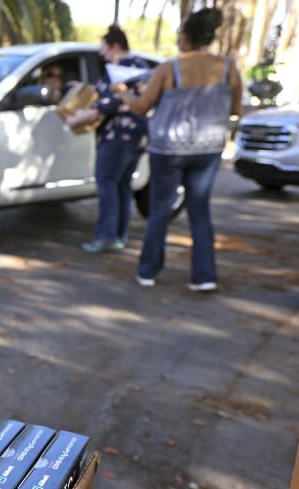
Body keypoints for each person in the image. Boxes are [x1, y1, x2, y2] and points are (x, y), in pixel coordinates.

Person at [113, 7, 242, 291]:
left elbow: (140, 107)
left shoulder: (169, 68)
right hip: (207, 149)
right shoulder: (229, 67)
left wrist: (121, 90)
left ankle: (148, 272)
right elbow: (235, 109)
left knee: (159, 210)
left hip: (168, 149)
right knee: (200, 212)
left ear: (186, 37)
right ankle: (204, 276)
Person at [65, 25, 149, 254]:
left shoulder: (118, 69)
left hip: (118, 136)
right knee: (121, 185)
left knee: (107, 183)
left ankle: (105, 237)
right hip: (138, 138)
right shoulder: (140, 66)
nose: (101, 54)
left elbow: (103, 106)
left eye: (103, 48)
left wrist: (74, 120)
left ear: (115, 46)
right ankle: (119, 235)